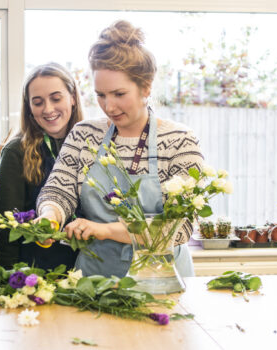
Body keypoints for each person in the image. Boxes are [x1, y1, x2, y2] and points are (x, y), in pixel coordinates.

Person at [36, 20, 204, 278]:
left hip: (165, 281)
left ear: (146, 87)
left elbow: (177, 227)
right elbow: (59, 189)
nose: (109, 106)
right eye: (101, 95)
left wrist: (103, 230)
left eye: (119, 94)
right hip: (96, 278)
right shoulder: (85, 135)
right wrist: (50, 215)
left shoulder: (179, 141)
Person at [0, 62, 83, 270]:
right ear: (29, 108)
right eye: (38, 102)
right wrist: (9, 281)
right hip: (38, 276)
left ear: (73, 98)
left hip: (89, 271)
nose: (48, 109)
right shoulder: (17, 152)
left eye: (56, 98)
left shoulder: (92, 145)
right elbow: (5, 229)